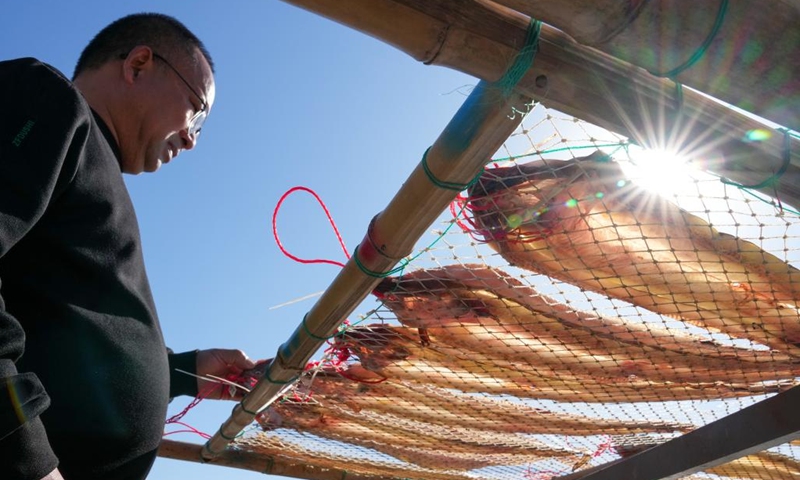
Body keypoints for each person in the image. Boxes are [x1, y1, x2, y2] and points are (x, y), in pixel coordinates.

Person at [0, 13, 257, 480]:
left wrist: (182, 372)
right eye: (197, 110)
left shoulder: (88, 167)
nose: (192, 139)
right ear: (139, 64)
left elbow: (66, 336)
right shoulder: (48, 101)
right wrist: (26, 458)